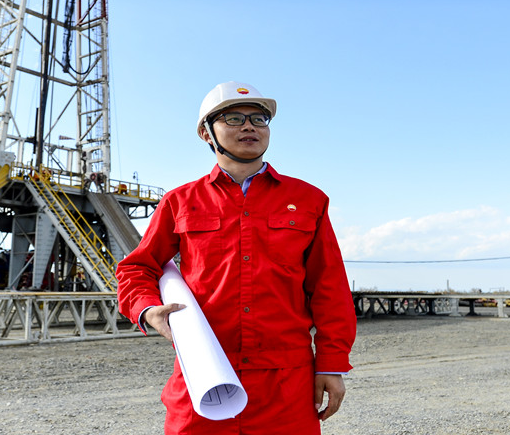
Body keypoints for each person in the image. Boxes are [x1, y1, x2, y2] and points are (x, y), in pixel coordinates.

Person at [116, 81, 356, 434]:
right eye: (233, 118)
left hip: (286, 384)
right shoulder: (180, 202)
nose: (249, 127)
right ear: (206, 133)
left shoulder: (308, 200)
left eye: (259, 119)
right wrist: (148, 309)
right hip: (205, 372)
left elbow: (329, 287)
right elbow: (138, 267)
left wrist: (331, 364)